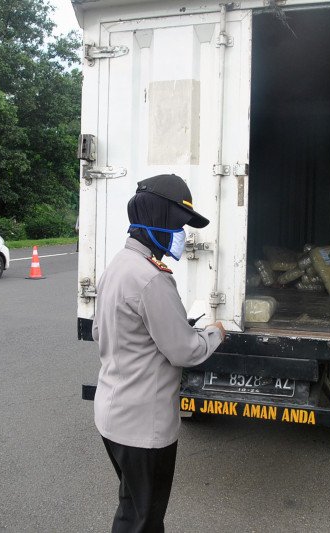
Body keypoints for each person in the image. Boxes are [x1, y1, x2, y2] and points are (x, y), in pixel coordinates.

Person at [92, 173, 226, 532]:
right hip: (143, 428)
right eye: (180, 224)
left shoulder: (118, 267)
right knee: (143, 521)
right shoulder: (152, 278)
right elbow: (183, 350)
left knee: (132, 505)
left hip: (112, 416)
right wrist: (215, 333)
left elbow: (97, 330)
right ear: (160, 219)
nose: (182, 235)